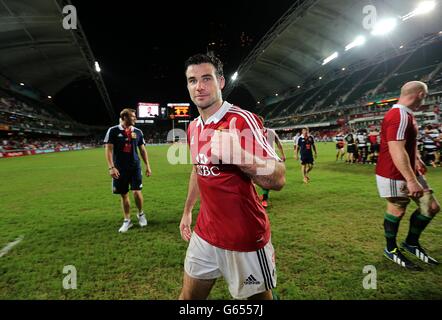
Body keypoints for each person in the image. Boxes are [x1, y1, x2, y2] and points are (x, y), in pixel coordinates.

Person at [179, 53, 286, 300]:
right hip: (205, 233)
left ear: (221, 82)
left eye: (207, 79)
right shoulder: (194, 126)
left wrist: (239, 155)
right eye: (192, 80)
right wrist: (187, 211)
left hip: (244, 237)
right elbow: (198, 169)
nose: (200, 86)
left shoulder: (242, 120)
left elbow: (278, 178)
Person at [376, 81, 440, 270]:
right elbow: (396, 149)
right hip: (394, 173)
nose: (425, 100)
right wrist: (411, 180)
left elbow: (405, 145)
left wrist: (417, 159)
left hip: (408, 170)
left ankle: (411, 243)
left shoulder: (405, 114)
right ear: (420, 94)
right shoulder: (399, 115)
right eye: (425, 96)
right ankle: (391, 249)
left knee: (431, 207)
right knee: (397, 209)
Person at [104, 108, 152, 233]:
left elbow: (142, 150)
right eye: (132, 116)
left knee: (137, 192)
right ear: (124, 117)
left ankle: (141, 214)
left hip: (135, 167)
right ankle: (127, 220)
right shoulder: (113, 131)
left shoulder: (138, 132)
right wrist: (111, 167)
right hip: (119, 168)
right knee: (124, 194)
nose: (135, 118)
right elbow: (108, 150)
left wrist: (148, 165)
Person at [258, 116, 286, 208]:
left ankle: (265, 198)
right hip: (258, 158)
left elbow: (278, 143)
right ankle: (261, 196)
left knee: (267, 177)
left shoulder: (270, 132)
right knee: (256, 178)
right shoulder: (254, 132)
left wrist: (282, 155)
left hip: (269, 158)